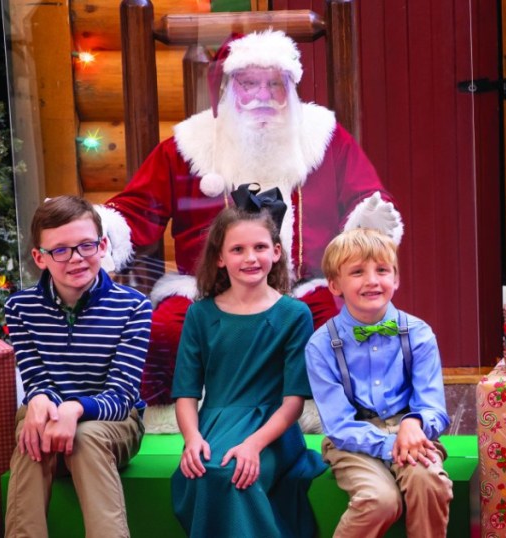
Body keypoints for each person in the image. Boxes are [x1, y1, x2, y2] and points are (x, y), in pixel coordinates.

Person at [95, 29, 403, 405]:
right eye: (249, 83)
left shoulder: (323, 138)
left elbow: (366, 196)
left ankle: (325, 419)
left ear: (291, 86)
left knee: (335, 329)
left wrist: (367, 219)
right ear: (228, 86)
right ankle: (178, 420)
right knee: (165, 332)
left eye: (275, 83)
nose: (262, 95)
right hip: (205, 291)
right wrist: (102, 231)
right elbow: (137, 208)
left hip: (301, 286)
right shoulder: (189, 145)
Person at [170, 202, 326, 537]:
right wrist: (192, 438)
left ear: (276, 251)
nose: (250, 258)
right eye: (237, 249)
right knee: (205, 472)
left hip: (272, 432)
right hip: (214, 425)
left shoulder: (295, 315)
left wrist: (255, 445)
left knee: (233, 474)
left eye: (259, 247)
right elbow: (185, 393)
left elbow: (293, 402)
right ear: (220, 258)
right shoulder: (200, 315)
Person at [3, 196, 152, 538]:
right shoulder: (20, 308)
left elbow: (122, 396)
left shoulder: (133, 307)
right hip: (50, 416)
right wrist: (40, 399)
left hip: (112, 423)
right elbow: (36, 377)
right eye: (60, 250)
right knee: (32, 431)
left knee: (85, 437)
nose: (75, 259)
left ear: (102, 246)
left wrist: (73, 409)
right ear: (40, 257)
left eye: (85, 246)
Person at [305, 228, 454, 538]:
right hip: (352, 441)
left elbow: (434, 408)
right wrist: (391, 444)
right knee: (380, 500)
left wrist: (414, 425)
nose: (372, 280)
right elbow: (338, 424)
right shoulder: (321, 345)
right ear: (335, 284)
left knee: (430, 482)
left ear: (396, 279)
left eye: (382, 270)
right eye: (357, 272)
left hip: (412, 435)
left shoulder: (419, 334)